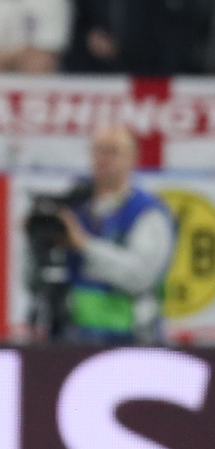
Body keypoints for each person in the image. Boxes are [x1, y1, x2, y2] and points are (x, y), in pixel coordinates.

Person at [31, 125, 175, 343]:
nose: (104, 158)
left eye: (113, 151)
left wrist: (84, 244)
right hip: (71, 333)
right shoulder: (74, 205)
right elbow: (37, 277)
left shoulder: (146, 212)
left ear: (133, 159)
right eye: (98, 151)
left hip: (129, 335)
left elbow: (141, 276)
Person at [66, 0, 203, 75]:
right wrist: (88, 37)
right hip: (94, 70)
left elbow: (177, 18)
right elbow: (75, 15)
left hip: (150, 70)